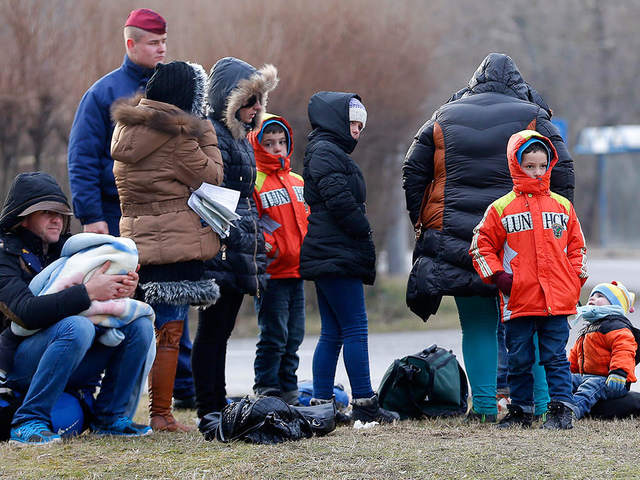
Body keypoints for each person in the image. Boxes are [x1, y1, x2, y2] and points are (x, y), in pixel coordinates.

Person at [402, 53, 574, 422]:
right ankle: (543, 406)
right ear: (517, 83)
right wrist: (555, 221)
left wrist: (422, 220)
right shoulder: (534, 116)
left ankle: (482, 407)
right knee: (538, 324)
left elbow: (412, 172)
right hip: (525, 239)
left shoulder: (443, 116)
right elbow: (564, 170)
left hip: (457, 238)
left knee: (477, 323)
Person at [0, 172, 153, 446]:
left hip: (70, 354)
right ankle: (28, 421)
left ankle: (109, 419)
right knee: (78, 326)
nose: (57, 219)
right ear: (23, 217)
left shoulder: (72, 251)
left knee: (139, 324)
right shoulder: (3, 253)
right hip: (17, 365)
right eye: (46, 212)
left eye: (61, 212)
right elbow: (24, 312)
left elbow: (106, 305)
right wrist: (89, 291)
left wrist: (126, 288)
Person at [111, 61, 223, 431]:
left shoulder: (129, 127)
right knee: (170, 331)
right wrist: (204, 129)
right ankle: (161, 414)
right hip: (172, 242)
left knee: (138, 329)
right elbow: (212, 176)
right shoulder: (177, 137)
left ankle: (124, 409)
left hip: (135, 240)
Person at [469, 130, 588, 430]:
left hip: (557, 301)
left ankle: (562, 410)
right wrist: (499, 277)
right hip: (518, 299)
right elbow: (481, 246)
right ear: (515, 165)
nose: (536, 172)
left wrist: (573, 280)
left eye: (541, 165)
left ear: (549, 165)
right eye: (529, 166)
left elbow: (578, 248)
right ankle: (520, 410)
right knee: (519, 359)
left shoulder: (562, 206)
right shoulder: (500, 208)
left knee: (555, 358)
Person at [300, 92, 399, 424]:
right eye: (353, 123)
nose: (357, 130)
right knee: (355, 327)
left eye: (361, 125)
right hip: (336, 251)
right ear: (336, 121)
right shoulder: (326, 152)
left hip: (330, 251)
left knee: (333, 332)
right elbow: (339, 200)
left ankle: (322, 405)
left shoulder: (326, 151)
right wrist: (363, 229)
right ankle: (364, 404)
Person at [191, 57, 278, 419]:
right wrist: (239, 232)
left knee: (222, 328)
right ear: (230, 100)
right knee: (212, 330)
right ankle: (208, 406)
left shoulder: (239, 137)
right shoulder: (212, 134)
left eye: (259, 100)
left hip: (237, 244)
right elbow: (213, 194)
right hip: (220, 246)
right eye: (250, 101)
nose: (257, 108)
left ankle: (218, 401)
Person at [248, 114, 308, 405]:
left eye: (282, 142)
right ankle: (266, 387)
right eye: (269, 143)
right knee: (273, 334)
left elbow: (306, 219)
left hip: (297, 271)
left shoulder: (297, 181)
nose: (277, 148)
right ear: (258, 146)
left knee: (294, 334)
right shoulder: (255, 182)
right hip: (272, 273)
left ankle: (289, 387)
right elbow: (253, 224)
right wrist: (270, 247)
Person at [569, 281, 637, 420]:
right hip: (587, 377)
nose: (592, 298)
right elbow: (575, 356)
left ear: (614, 305)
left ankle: (572, 410)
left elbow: (624, 350)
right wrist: (569, 373)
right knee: (565, 380)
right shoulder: (588, 329)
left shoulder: (616, 326)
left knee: (591, 386)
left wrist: (619, 372)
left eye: (600, 296)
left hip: (612, 381)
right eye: (591, 296)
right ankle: (547, 403)